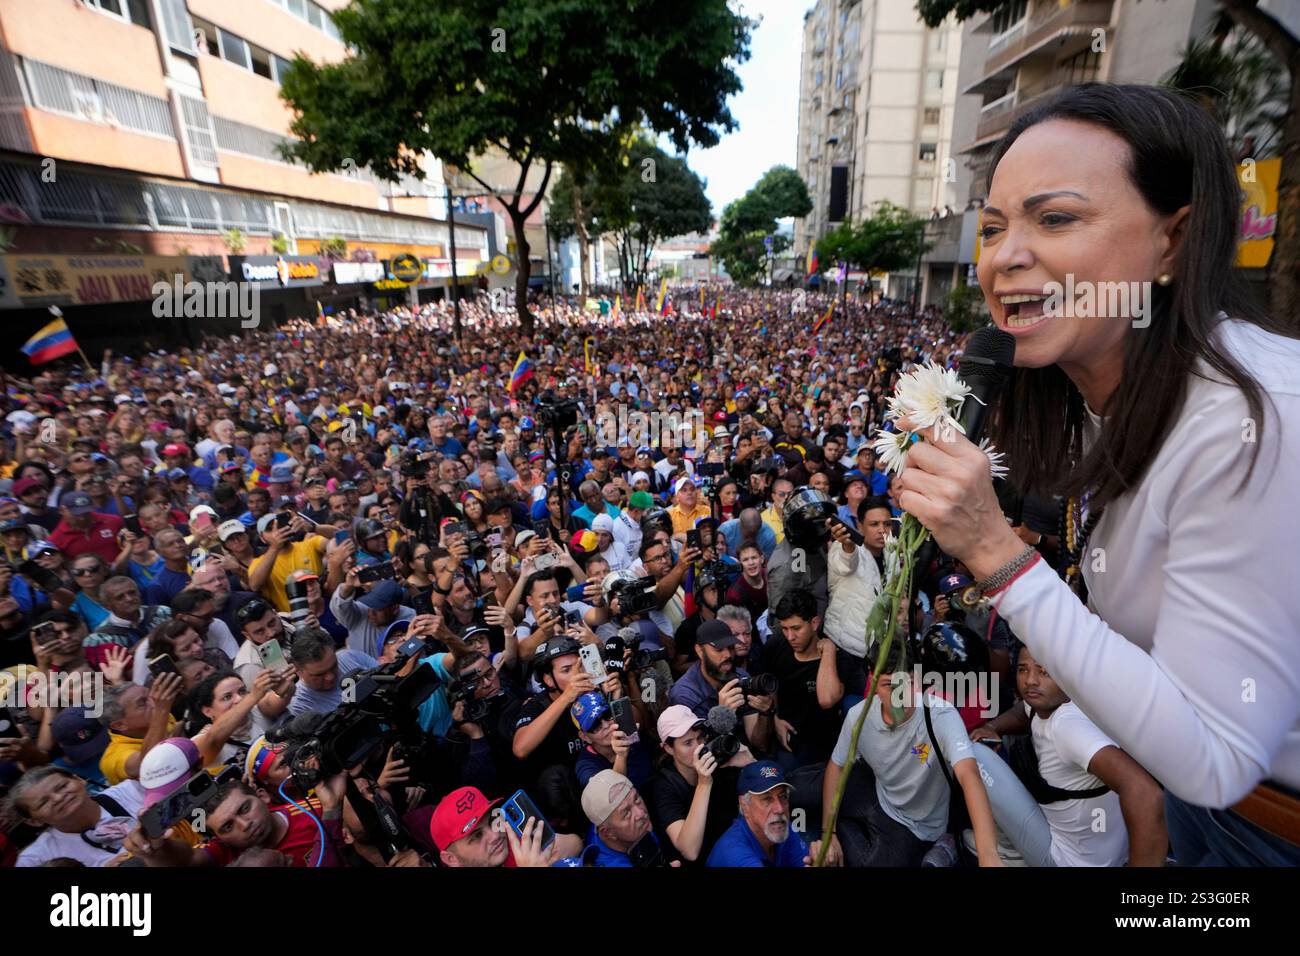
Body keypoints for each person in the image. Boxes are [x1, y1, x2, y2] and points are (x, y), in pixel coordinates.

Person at [892, 84, 1300, 865]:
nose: (1006, 255)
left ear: (1174, 240)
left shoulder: (1260, 414)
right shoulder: (1091, 408)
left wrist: (997, 554)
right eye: (992, 227)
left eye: (1056, 219)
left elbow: (1213, 755)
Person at [967, 643, 1168, 866]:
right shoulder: (1057, 699)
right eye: (1023, 669)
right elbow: (1024, 711)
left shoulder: (1068, 727)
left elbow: (1145, 795)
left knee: (974, 753)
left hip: (1065, 860)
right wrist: (993, 727)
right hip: (1101, 850)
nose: (1030, 680)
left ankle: (1010, 854)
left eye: (1044, 671)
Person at [823, 640, 1002, 867]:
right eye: (889, 685)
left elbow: (969, 775)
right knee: (797, 792)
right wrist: (828, 834)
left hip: (914, 825)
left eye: (906, 683)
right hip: (875, 791)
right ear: (874, 682)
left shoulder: (941, 715)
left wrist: (988, 855)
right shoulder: (859, 715)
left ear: (918, 679)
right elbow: (836, 766)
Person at [647, 704, 755, 864]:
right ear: (668, 748)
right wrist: (704, 784)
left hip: (735, 847)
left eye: (700, 738)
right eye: (687, 743)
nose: (699, 747)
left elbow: (767, 796)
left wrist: (751, 763)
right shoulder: (663, 786)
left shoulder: (718, 763)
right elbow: (689, 850)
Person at [667, 620, 774, 755]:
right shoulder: (685, 695)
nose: (728, 655)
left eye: (730, 647)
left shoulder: (740, 677)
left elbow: (760, 744)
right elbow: (696, 756)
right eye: (718, 649)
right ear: (700, 651)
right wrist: (721, 716)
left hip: (748, 756)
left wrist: (765, 713)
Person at [9, 765, 145, 867]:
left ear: (79, 779)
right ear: (33, 821)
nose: (58, 798)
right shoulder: (36, 858)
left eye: (62, 786)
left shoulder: (133, 790)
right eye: (44, 802)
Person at [706, 761, 816, 868]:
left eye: (783, 797)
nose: (780, 809)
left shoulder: (781, 828)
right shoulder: (733, 851)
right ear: (744, 805)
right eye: (766, 799)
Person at [284, 627, 378, 717]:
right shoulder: (298, 706)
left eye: (333, 666)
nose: (330, 677)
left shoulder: (349, 657)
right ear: (298, 670)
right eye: (319, 674)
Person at [580, 768, 660, 867]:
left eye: (636, 799)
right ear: (608, 833)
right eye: (627, 813)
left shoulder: (604, 820)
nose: (641, 813)